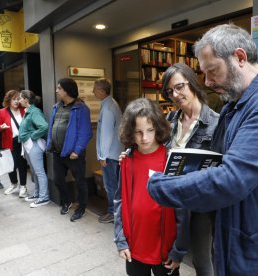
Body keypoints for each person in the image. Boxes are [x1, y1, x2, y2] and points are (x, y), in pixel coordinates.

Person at [147, 24, 258, 275]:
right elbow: (219, 162)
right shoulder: (235, 106)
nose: (208, 82)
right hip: (239, 237)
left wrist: (163, 187)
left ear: (240, 57)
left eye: (213, 71)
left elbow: (232, 178)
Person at [114, 98, 187, 276]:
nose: (144, 138)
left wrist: (178, 250)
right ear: (130, 132)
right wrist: (121, 240)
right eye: (138, 132)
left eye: (150, 130)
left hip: (165, 247)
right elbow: (119, 201)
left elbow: (182, 210)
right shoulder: (126, 160)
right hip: (135, 245)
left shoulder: (171, 161)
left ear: (158, 129)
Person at [161, 63, 219, 275]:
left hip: (200, 205)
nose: (175, 94)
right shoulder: (169, 120)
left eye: (179, 87)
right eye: (169, 91)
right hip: (173, 201)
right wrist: (130, 154)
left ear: (192, 83)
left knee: (201, 261)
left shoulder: (215, 123)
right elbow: (153, 149)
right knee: (169, 252)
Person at [46, 78, 92, 221]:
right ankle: (66, 201)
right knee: (58, 180)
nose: (56, 91)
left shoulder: (81, 108)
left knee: (79, 182)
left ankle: (81, 208)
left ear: (67, 90)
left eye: (59, 88)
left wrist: (77, 151)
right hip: (58, 152)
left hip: (73, 154)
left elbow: (85, 132)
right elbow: (52, 127)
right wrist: (50, 143)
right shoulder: (56, 107)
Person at [93, 78, 123, 224]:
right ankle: (116, 212)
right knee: (114, 185)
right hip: (113, 154)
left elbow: (106, 134)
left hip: (110, 155)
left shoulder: (108, 108)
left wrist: (102, 155)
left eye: (95, 88)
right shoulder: (111, 104)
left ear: (102, 91)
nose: (93, 91)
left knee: (110, 186)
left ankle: (113, 213)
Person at [18, 90, 49, 208]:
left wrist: (33, 136)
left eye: (20, 98)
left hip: (33, 145)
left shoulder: (35, 111)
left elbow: (44, 126)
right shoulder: (28, 111)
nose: (19, 100)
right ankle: (37, 194)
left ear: (26, 99)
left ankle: (44, 197)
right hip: (28, 145)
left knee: (39, 172)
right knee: (35, 172)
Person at [0, 90, 28, 198]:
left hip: (22, 141)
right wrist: (1, 127)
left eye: (18, 99)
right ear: (9, 100)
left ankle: (23, 186)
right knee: (11, 165)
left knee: (22, 164)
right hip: (9, 141)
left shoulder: (24, 110)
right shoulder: (2, 112)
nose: (16, 101)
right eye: (14, 99)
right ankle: (14, 184)